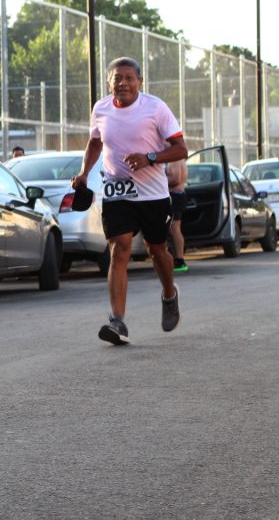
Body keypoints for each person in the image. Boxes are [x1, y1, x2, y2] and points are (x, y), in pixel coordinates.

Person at [71, 56, 187, 345]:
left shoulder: (155, 108)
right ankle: (117, 321)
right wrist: (84, 172)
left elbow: (180, 149)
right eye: (117, 78)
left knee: (157, 250)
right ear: (109, 82)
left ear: (139, 82)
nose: (122, 83)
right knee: (119, 249)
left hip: (153, 193)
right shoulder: (101, 109)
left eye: (128, 78)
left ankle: (169, 294)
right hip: (116, 191)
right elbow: (95, 142)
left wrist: (150, 158)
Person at [166, 158, 189, 273]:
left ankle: (179, 260)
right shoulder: (180, 160)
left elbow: (176, 179)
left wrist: (158, 181)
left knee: (174, 229)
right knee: (172, 229)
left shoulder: (175, 159)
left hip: (175, 196)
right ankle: (175, 258)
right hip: (176, 195)